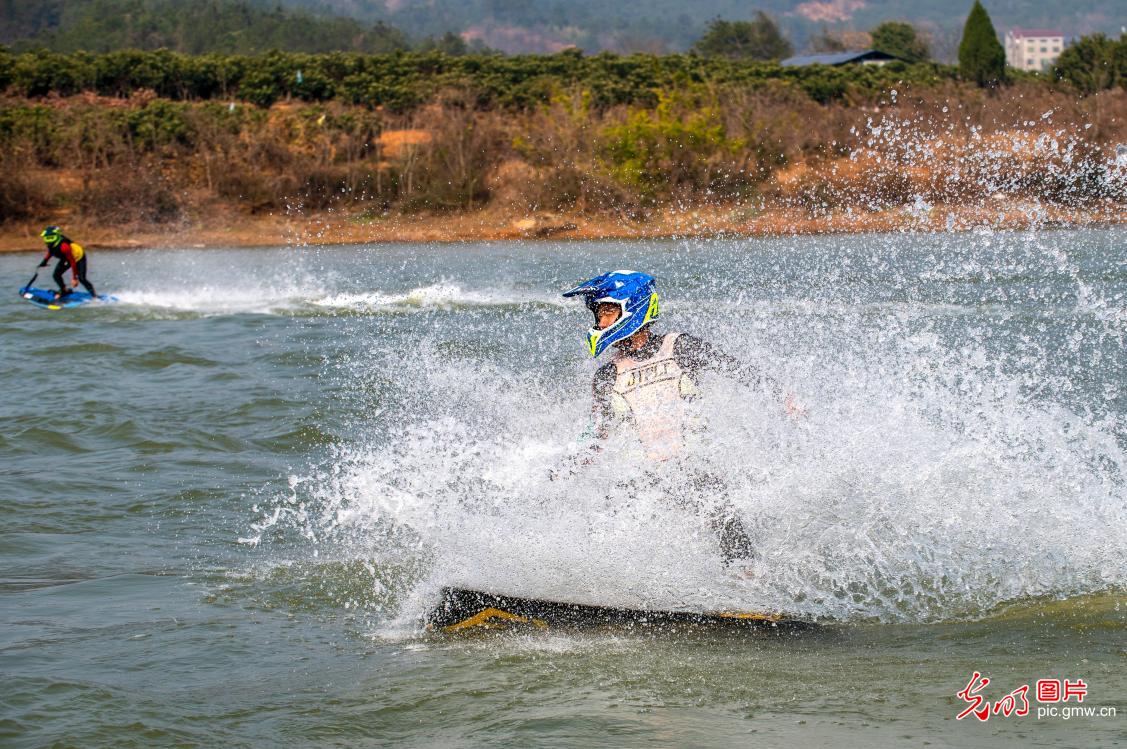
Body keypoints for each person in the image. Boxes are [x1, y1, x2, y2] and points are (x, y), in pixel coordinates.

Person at [562, 270, 799, 568]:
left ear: (632, 307)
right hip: (646, 477)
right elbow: (597, 433)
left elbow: (737, 371)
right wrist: (567, 468)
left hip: (694, 468)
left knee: (721, 514)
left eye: (608, 311)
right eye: (598, 314)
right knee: (603, 524)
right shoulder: (606, 377)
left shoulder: (679, 347)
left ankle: (750, 581)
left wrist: (784, 398)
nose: (600, 323)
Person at [38, 226, 97, 299]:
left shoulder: (64, 247)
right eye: (46, 238)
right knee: (56, 275)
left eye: (51, 237)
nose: (48, 240)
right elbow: (51, 252)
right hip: (66, 258)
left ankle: (94, 296)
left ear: (56, 236)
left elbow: (72, 262)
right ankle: (64, 290)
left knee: (82, 279)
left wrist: (74, 278)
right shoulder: (51, 244)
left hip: (78, 257)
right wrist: (44, 262)